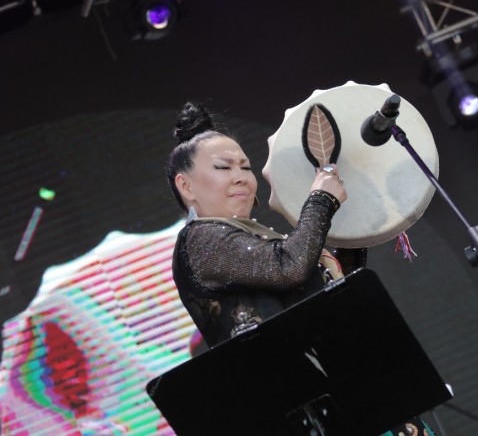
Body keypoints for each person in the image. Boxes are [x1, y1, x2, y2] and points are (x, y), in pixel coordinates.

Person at [166, 102, 434, 436]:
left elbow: (331, 295)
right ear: (186, 186)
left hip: (347, 399)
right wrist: (321, 200)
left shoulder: (258, 239)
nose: (241, 177)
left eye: (245, 167)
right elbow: (289, 268)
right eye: (223, 167)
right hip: (311, 413)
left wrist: (354, 219)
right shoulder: (199, 240)